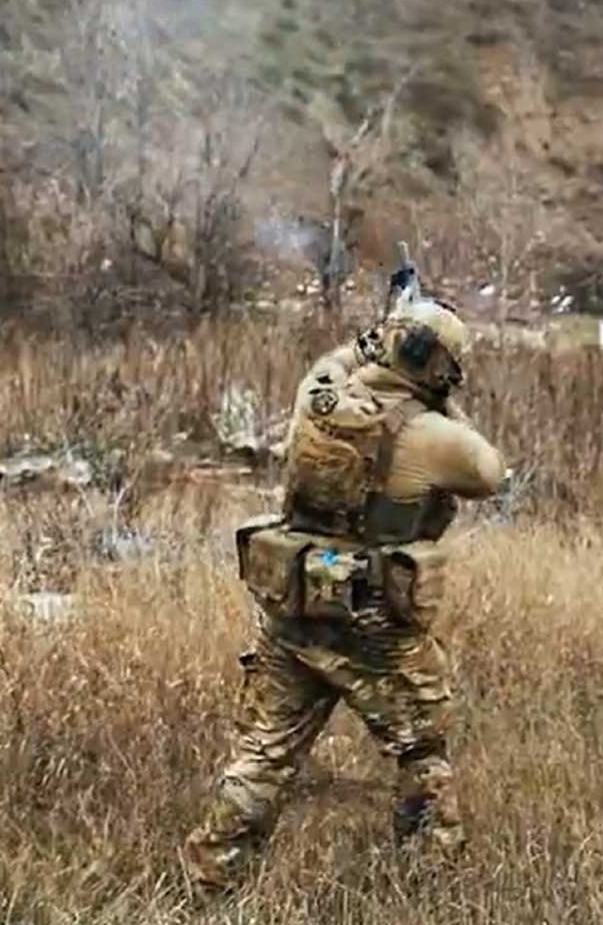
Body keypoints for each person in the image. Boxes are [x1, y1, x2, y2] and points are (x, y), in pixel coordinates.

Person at [182, 266, 508, 895]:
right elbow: (490, 472)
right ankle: (428, 889)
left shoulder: (318, 395)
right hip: (375, 625)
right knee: (421, 753)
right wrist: (444, 395)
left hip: (293, 608)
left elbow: (337, 365)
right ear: (442, 368)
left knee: (261, 757)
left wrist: (379, 333)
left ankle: (211, 883)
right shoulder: (435, 436)